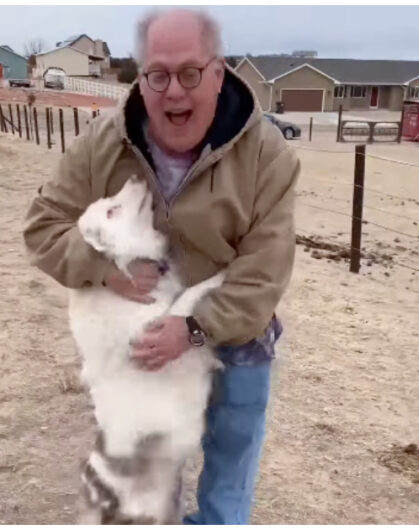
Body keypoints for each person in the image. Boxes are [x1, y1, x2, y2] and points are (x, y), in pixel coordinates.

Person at [23, 8, 299, 524]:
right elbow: (42, 226)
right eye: (158, 74)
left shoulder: (270, 156)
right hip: (140, 348)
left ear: (218, 75)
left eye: (191, 73)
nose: (174, 90)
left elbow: (265, 271)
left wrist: (193, 327)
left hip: (234, 334)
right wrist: (102, 269)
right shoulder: (101, 143)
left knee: (228, 478)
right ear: (140, 77)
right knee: (145, 494)